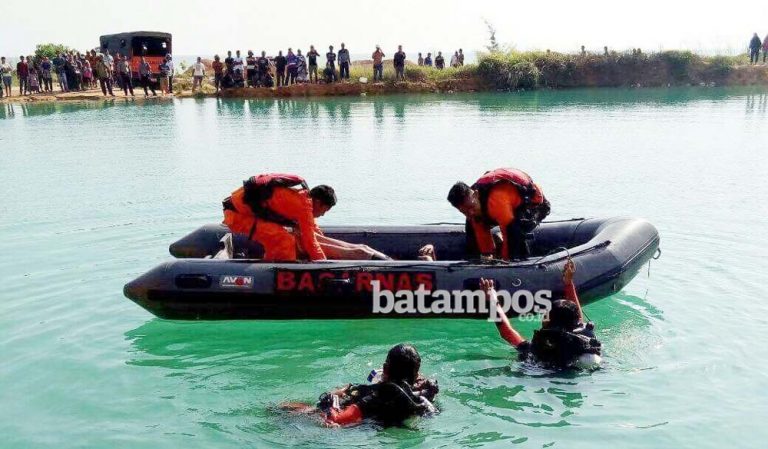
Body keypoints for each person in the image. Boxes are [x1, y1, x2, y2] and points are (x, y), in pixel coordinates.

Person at [481, 260, 602, 370]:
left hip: (541, 374)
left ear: (549, 321)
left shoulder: (538, 348)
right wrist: (568, 283)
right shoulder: (583, 338)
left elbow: (506, 332)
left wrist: (491, 298)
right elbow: (576, 317)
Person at [283, 344, 439, 427]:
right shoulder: (422, 398)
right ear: (416, 375)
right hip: (386, 425)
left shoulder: (375, 396)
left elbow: (336, 420)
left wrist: (333, 400)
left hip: (349, 426)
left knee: (285, 407)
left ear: (385, 369)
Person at [222, 174, 335, 262]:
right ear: (318, 202)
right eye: (324, 210)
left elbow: (311, 227)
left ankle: (270, 262)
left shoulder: (302, 195)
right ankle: (273, 273)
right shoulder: (303, 206)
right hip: (238, 216)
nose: (323, 215)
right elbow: (310, 242)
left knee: (283, 237)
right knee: (285, 240)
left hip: (245, 210)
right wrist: (323, 264)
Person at [447, 168, 550, 260]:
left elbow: (510, 234)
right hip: (504, 208)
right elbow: (481, 233)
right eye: (464, 211)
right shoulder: (472, 205)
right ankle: (475, 258)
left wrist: (504, 262)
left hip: (534, 206)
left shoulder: (496, 200)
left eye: (471, 208)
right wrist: (486, 255)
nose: (470, 212)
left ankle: (520, 259)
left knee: (515, 231)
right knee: (471, 222)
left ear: (476, 194)